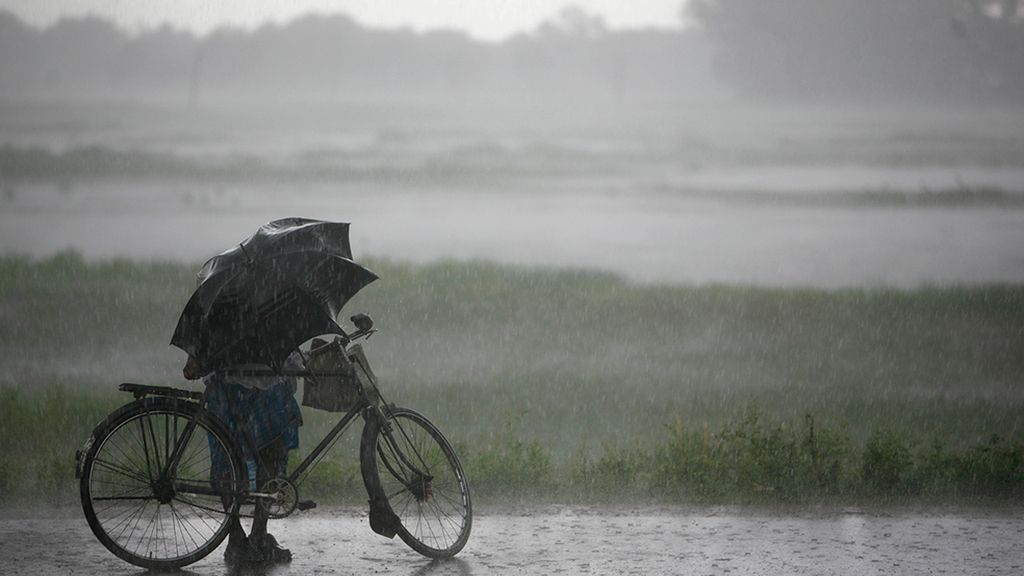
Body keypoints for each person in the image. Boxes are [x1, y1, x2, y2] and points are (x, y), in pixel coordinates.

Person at [183, 352, 303, 565]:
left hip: (228, 383)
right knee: (270, 454)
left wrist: (197, 357)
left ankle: (236, 535)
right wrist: (296, 362)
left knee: (228, 456)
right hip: (264, 382)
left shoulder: (219, 319)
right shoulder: (270, 321)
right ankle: (257, 535)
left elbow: (205, 336)